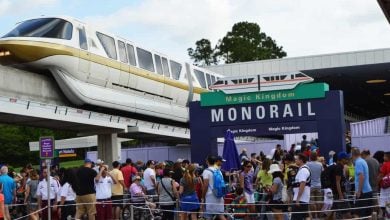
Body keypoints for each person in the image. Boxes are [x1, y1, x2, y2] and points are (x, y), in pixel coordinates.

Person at [351, 147, 373, 218]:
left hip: (363, 192)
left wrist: (359, 191)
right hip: (368, 190)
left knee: (358, 214)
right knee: (368, 215)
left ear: (352, 154)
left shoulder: (358, 162)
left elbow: (361, 177)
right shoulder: (363, 161)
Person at [202, 155, 225, 220]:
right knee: (220, 215)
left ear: (207, 162)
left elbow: (205, 185)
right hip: (219, 195)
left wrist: (202, 197)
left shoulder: (206, 171)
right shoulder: (218, 170)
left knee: (209, 216)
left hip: (210, 196)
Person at [330, 152, 352, 219]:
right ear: (342, 159)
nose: (347, 160)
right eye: (346, 159)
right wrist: (341, 195)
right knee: (347, 213)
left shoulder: (340, 167)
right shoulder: (339, 168)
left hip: (338, 193)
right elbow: (337, 182)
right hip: (339, 194)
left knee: (338, 213)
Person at [291, 153, 311, 220]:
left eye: (296, 159)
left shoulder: (303, 170)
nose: (295, 161)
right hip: (301, 199)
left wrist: (298, 199)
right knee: (305, 217)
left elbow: (302, 184)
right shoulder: (302, 169)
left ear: (301, 160)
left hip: (300, 199)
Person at [306, 151, 323, 219]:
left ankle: (313, 217)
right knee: (319, 202)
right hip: (318, 185)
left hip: (310, 186)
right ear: (316, 157)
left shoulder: (307, 164)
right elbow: (321, 173)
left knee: (312, 202)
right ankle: (319, 216)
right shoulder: (320, 164)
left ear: (310, 157)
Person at [378, 151, 390, 219]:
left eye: (385, 156)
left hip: (385, 188)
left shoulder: (385, 165)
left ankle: (386, 216)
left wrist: (376, 183)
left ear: (388, 157)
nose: (383, 157)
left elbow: (381, 175)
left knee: (384, 203)